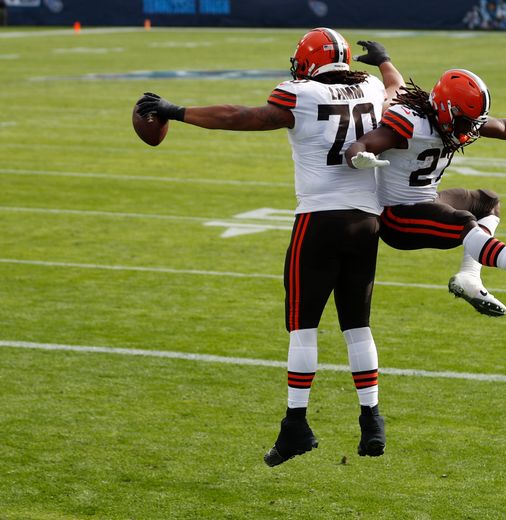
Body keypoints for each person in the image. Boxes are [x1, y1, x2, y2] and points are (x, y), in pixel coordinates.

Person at [136, 28, 404, 466]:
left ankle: (296, 425)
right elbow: (396, 88)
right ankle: (371, 419)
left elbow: (243, 116)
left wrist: (177, 111)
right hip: (366, 221)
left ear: (308, 61)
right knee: (357, 324)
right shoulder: (373, 86)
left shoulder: (300, 94)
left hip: (319, 219)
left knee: (303, 326)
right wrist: (386, 58)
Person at [345, 69, 506, 317]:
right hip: (397, 217)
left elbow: (504, 127)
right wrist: (358, 157)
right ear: (445, 108)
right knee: (463, 222)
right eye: (465, 122)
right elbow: (361, 144)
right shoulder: (410, 122)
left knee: (487, 201)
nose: (470, 130)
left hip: (426, 200)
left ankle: (469, 277)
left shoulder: (456, 118)